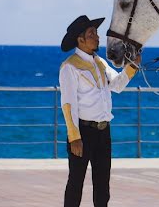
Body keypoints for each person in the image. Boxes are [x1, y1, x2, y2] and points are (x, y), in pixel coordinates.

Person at [59, 15, 140, 207]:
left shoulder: (100, 63)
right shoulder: (69, 67)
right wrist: (74, 136)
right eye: (92, 34)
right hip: (83, 134)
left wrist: (133, 66)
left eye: (96, 33)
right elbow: (68, 104)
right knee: (75, 184)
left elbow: (117, 85)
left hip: (104, 132)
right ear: (80, 40)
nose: (97, 37)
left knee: (103, 186)